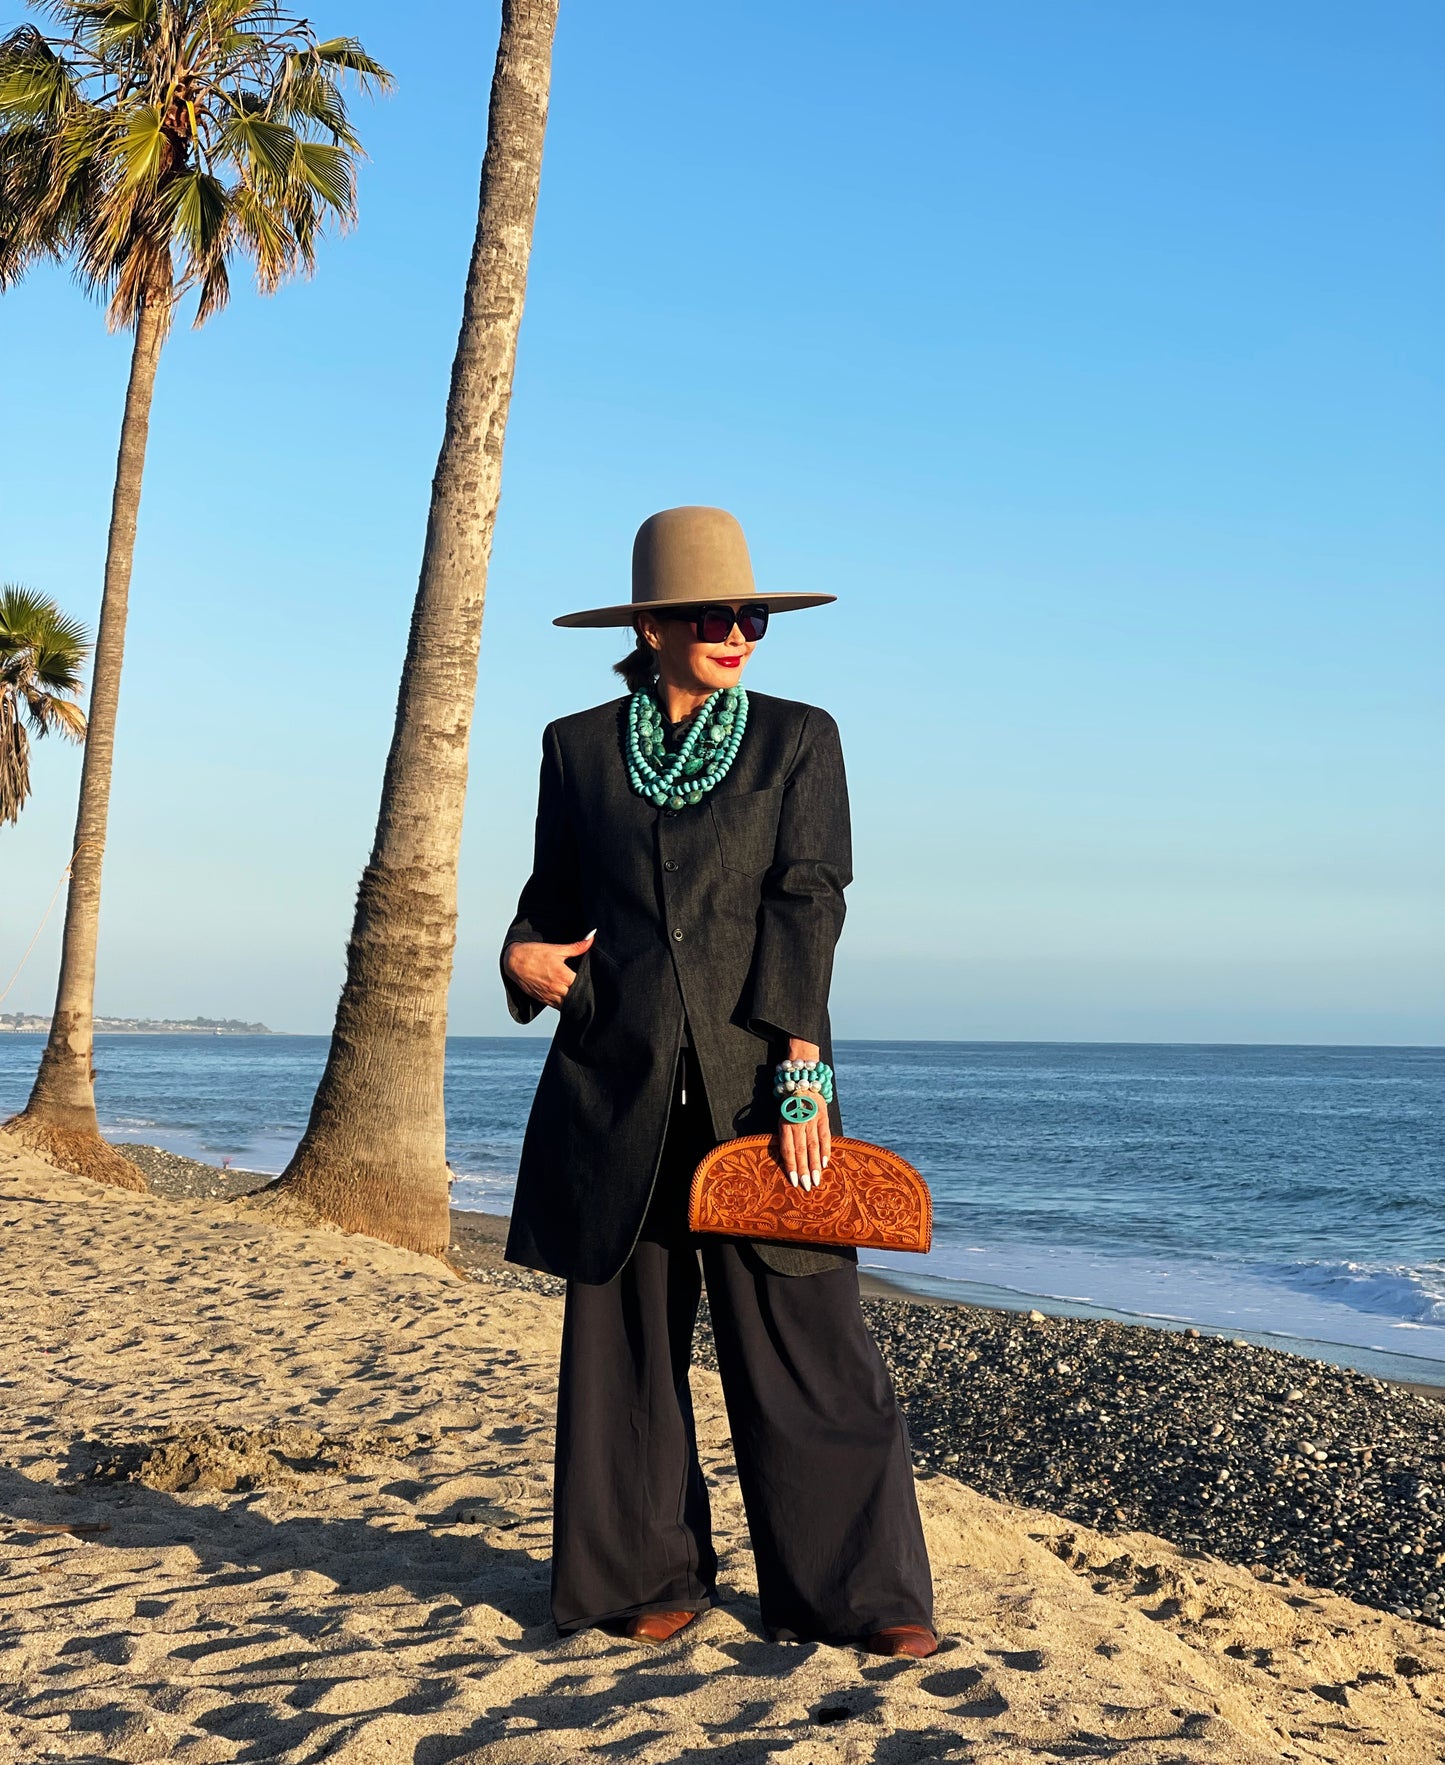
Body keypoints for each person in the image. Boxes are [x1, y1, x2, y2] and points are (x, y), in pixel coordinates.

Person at [500, 506, 936, 1656]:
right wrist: (521, 955)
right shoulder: (577, 745)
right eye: (712, 615)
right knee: (628, 1345)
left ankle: (860, 1594)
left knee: (806, 1336)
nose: (738, 630)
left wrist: (800, 1060)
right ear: (649, 625)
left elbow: (810, 891)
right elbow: (552, 900)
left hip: (761, 1083)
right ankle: (646, 1574)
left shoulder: (798, 737)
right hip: (617, 1076)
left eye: (749, 615)